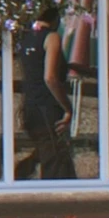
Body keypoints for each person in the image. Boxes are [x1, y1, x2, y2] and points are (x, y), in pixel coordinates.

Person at [15, 16, 76, 180]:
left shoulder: (26, 37)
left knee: (47, 152)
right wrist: (68, 108)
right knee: (56, 164)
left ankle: (21, 176)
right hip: (47, 107)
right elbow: (50, 78)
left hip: (30, 105)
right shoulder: (51, 37)